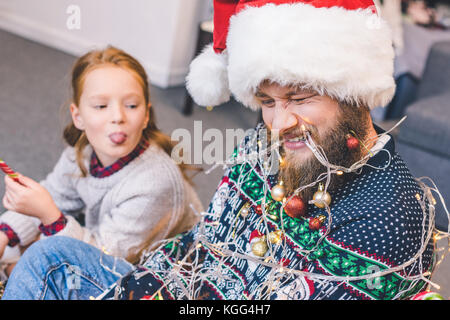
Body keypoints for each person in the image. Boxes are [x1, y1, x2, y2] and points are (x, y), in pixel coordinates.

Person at [2, 0, 441, 300]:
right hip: (180, 288)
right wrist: (151, 281)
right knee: (49, 258)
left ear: (353, 91)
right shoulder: (268, 142)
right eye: (267, 102)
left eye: (301, 97)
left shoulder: (388, 213)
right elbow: (207, 238)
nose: (280, 122)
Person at [0, 47, 203, 279]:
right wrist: (5, 233)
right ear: (78, 117)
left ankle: (13, 268)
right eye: (101, 106)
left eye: (131, 106)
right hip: (108, 238)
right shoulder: (81, 153)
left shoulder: (156, 182)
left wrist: (50, 217)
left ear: (146, 115)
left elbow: (105, 260)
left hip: (154, 273)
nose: (118, 117)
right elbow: (54, 194)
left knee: (36, 266)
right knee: (17, 242)